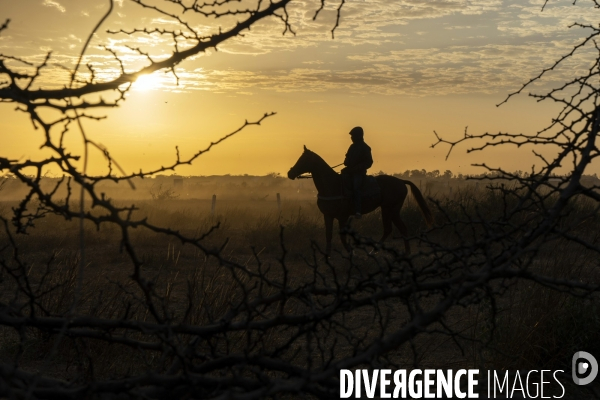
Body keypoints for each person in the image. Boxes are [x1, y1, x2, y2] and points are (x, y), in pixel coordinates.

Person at [341, 126, 373, 219]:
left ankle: (358, 210)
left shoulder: (366, 148)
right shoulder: (352, 147)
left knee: (356, 188)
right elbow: (347, 159)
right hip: (349, 171)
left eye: (353, 136)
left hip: (359, 173)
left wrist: (358, 167)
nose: (351, 138)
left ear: (358, 136)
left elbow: (369, 162)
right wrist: (346, 161)